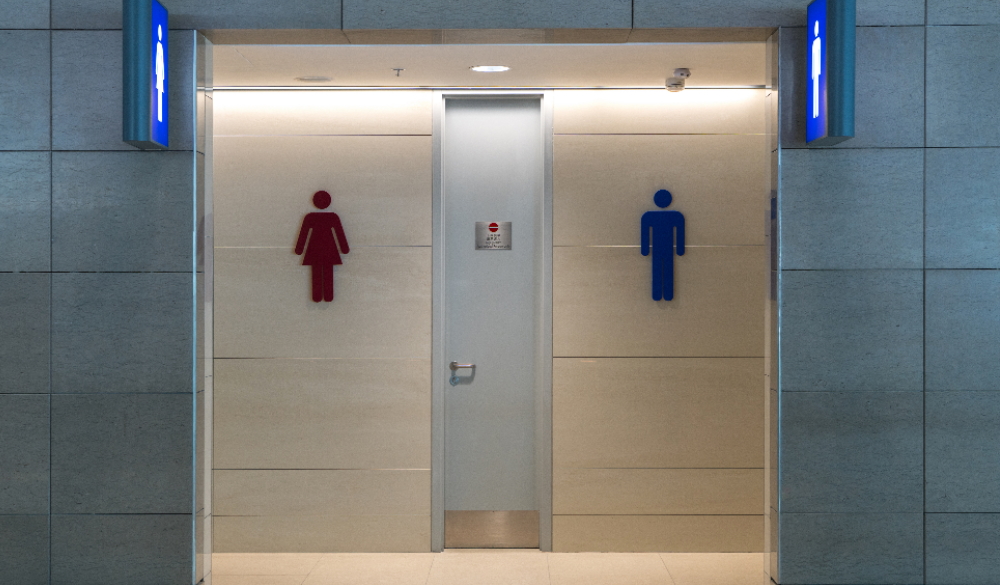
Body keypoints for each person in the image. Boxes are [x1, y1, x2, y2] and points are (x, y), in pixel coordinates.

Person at [294, 191, 349, 302]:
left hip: (316, 249)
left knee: (319, 272)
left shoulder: (312, 217)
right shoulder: (331, 217)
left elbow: (304, 234)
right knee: (323, 272)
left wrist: (299, 249)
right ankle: (323, 296)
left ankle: (320, 296)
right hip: (328, 249)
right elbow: (339, 234)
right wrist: (344, 248)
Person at [641, 189, 685, 301]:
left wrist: (645, 249)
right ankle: (666, 294)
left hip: (659, 248)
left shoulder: (649, 216)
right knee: (666, 269)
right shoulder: (676, 216)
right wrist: (680, 249)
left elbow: (645, 233)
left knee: (659, 270)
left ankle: (660, 294)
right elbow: (680, 233)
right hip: (667, 248)